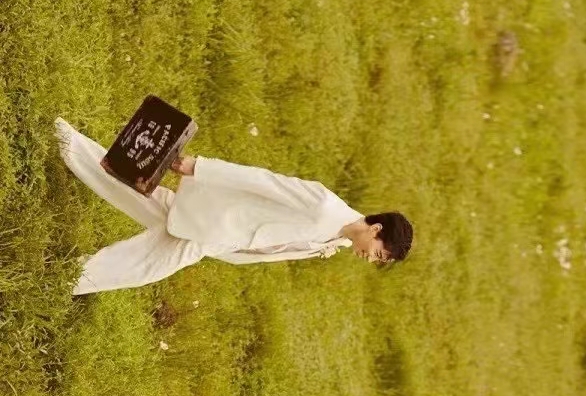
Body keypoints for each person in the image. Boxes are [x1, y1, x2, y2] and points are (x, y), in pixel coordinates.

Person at [54, 118, 414, 295]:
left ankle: (66, 141)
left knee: (141, 196)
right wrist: (200, 167)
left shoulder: (339, 238)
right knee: (146, 266)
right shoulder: (323, 206)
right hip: (213, 228)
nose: (371, 259)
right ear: (376, 229)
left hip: (217, 234)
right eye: (378, 253)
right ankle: (63, 280)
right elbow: (262, 181)